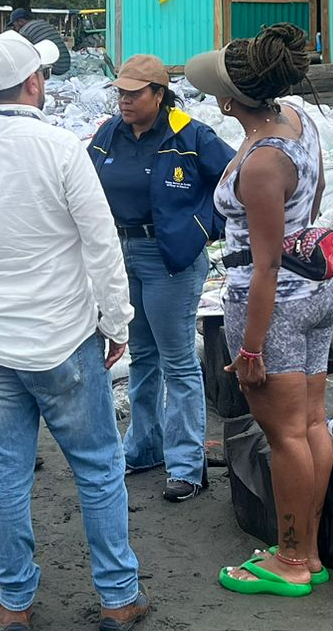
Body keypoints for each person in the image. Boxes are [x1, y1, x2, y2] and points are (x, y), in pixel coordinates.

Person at [0, 30, 149, 631]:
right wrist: (116, 321)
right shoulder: (59, 148)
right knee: (98, 467)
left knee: (7, 471)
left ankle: (15, 600)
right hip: (63, 338)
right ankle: (118, 596)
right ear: (33, 82)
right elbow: (102, 244)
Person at [185, 24, 333, 597]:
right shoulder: (298, 119)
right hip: (318, 288)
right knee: (311, 423)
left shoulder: (260, 165)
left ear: (229, 101)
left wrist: (249, 347)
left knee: (284, 437)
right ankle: (308, 550)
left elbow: (266, 267)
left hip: (273, 304)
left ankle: (293, 559)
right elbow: (313, 199)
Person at [87, 55, 234, 502]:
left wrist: (202, 227)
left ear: (159, 93)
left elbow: (234, 180)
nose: (125, 100)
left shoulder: (190, 135)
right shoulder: (109, 133)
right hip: (121, 253)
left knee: (177, 360)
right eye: (121, 93)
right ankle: (144, 447)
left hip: (169, 258)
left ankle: (187, 465)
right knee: (142, 354)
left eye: (134, 93)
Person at [8, 7, 72, 76]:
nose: (15, 29)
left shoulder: (25, 31)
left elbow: (20, 56)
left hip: (55, 69)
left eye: (14, 25)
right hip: (66, 66)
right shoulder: (44, 23)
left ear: (20, 22)